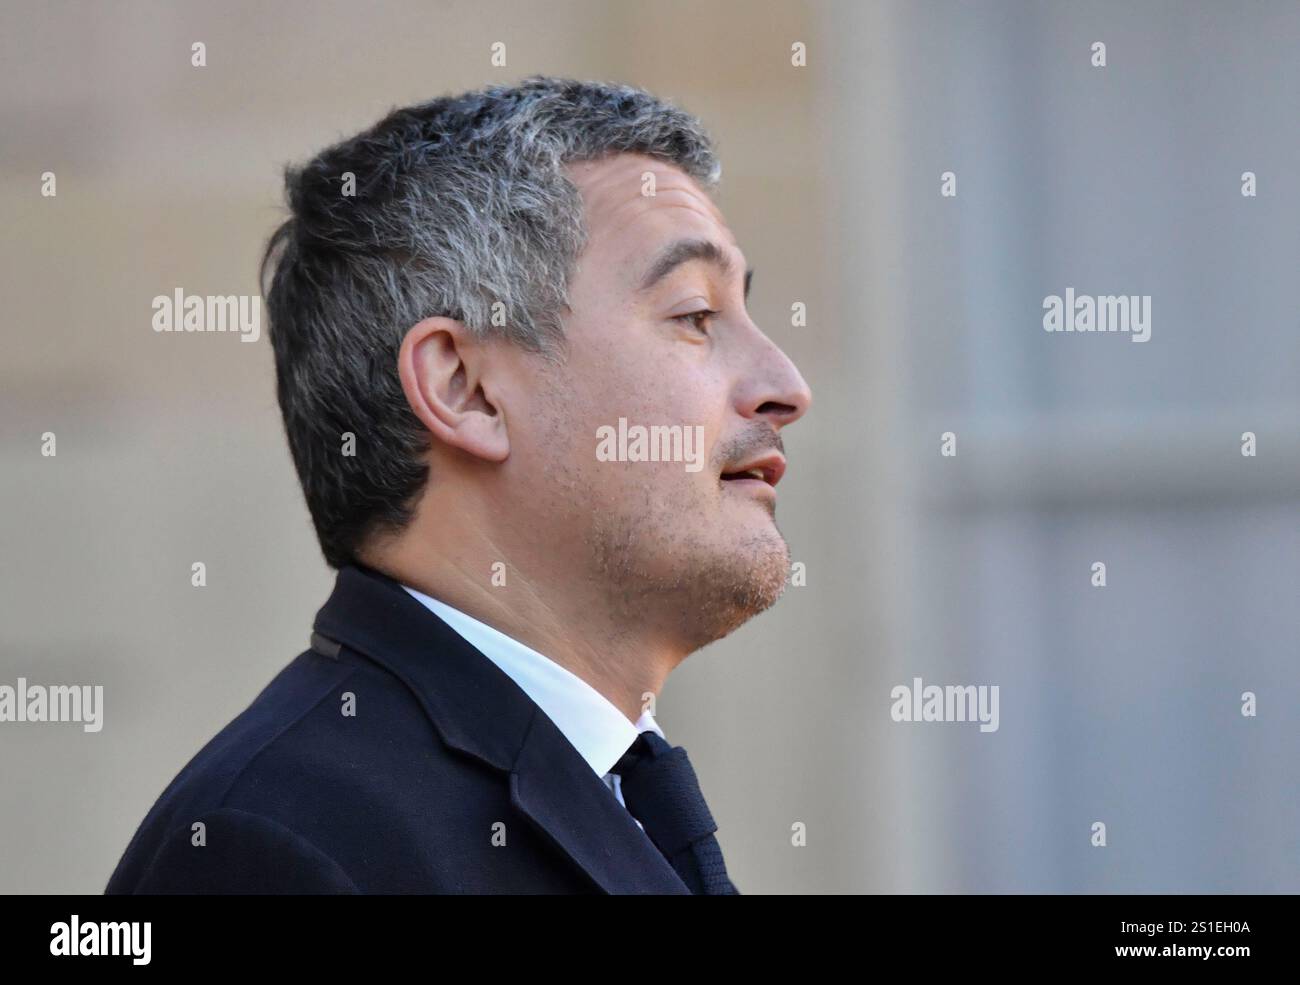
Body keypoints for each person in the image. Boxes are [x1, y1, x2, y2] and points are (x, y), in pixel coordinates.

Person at [106, 76, 811, 894]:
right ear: (464, 390)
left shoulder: (609, 787)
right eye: (694, 313)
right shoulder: (272, 847)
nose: (786, 384)